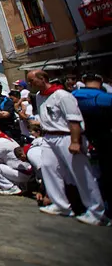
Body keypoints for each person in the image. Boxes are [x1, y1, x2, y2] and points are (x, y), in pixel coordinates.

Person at [27, 70, 108, 226]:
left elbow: (74, 120)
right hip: (49, 136)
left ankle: (97, 212)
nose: (30, 84)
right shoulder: (39, 96)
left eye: (32, 81)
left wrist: (75, 141)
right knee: (48, 167)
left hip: (66, 136)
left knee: (81, 173)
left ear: (43, 78)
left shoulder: (63, 96)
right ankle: (60, 204)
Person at [71, 73, 112, 206]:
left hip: (78, 140)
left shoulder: (72, 96)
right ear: (101, 81)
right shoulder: (106, 97)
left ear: (83, 81)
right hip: (104, 140)